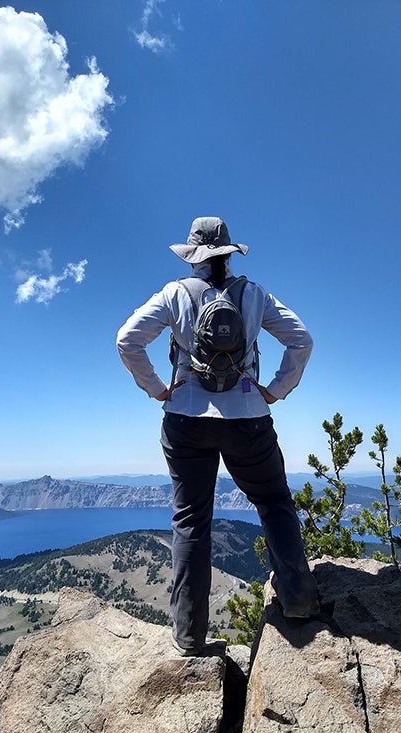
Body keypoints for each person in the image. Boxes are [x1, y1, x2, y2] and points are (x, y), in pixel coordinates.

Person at [117, 216, 319, 656]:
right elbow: (300, 340)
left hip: (186, 416)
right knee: (273, 502)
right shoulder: (254, 294)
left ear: (191, 255)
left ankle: (189, 634)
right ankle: (301, 602)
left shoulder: (175, 294)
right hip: (248, 414)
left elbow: (127, 340)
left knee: (191, 520)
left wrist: (157, 388)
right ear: (230, 252)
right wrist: (276, 390)